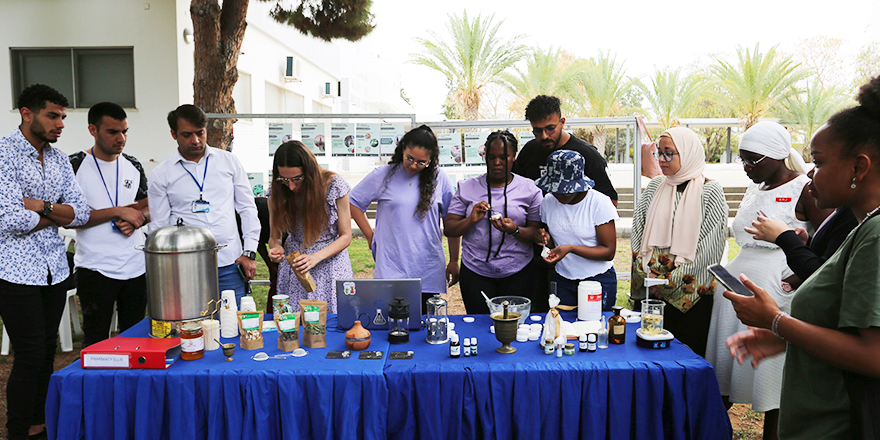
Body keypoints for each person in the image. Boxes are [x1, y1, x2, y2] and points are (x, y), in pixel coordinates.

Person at [725, 76, 880, 440]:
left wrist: (777, 322)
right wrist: (784, 340)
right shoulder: (861, 229)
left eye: (819, 162)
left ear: (859, 167)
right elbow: (843, 328)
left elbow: (873, 355)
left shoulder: (875, 236)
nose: (810, 173)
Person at [706, 121, 831, 440]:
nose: (746, 166)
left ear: (777, 155)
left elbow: (825, 240)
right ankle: (717, 431)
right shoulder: (754, 186)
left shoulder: (804, 187)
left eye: (753, 160)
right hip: (735, 290)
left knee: (772, 384)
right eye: (742, 158)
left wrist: (799, 274)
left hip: (775, 291)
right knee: (725, 367)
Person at [0, 84, 89, 440]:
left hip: (54, 269)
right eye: (53, 116)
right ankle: (18, 429)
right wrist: (57, 214)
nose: (60, 124)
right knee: (29, 353)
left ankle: (39, 423)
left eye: (63, 117)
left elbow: (80, 213)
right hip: (14, 270)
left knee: (48, 350)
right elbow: (9, 219)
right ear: (27, 113)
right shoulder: (4, 154)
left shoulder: (58, 159)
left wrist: (40, 205)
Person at [511, 95, 618, 313]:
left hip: (592, 271)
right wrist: (546, 237)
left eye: (550, 128)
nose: (544, 135)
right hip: (554, 266)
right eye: (537, 130)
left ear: (562, 121)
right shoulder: (532, 156)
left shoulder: (588, 156)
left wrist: (576, 230)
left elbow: (608, 205)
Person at [148, 105, 260, 308]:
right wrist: (164, 269)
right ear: (173, 134)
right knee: (192, 327)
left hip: (230, 262)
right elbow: (159, 226)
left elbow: (247, 209)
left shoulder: (228, 162)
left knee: (231, 326)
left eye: (200, 133)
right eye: (187, 135)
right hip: (185, 267)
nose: (196, 140)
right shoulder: (161, 174)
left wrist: (250, 252)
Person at [631, 126, 728, 358]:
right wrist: (646, 276)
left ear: (688, 153)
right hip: (649, 291)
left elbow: (710, 248)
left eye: (669, 153)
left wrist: (666, 283)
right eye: (659, 153)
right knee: (648, 358)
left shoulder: (710, 191)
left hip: (688, 298)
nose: (662, 159)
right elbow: (638, 233)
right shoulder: (655, 186)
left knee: (684, 359)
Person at [350, 125, 460, 312]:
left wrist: (454, 260)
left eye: (421, 162)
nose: (413, 165)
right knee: (391, 326)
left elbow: (452, 222)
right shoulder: (383, 175)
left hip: (428, 267)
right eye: (410, 158)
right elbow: (353, 203)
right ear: (402, 149)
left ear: (431, 160)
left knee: (425, 327)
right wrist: (370, 236)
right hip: (392, 265)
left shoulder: (440, 178)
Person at [68, 102, 150, 348]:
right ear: (93, 129)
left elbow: (150, 205)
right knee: (96, 342)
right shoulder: (73, 164)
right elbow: (69, 216)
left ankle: (130, 387)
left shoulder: (133, 165)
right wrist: (116, 211)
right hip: (95, 268)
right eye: (112, 132)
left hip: (136, 267)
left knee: (135, 342)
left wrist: (138, 219)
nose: (121, 138)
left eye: (124, 131)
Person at [444, 130, 543, 314]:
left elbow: (536, 234)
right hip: (476, 272)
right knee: (480, 326)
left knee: (515, 327)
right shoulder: (467, 187)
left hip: (518, 272)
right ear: (485, 157)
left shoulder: (529, 189)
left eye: (503, 157)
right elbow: (449, 229)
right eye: (491, 157)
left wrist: (514, 230)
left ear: (513, 157)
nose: (497, 163)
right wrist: (471, 220)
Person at [267, 141, 352, 313]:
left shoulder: (333, 185)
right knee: (293, 323)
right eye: (284, 179)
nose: (291, 186)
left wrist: (315, 257)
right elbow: (274, 236)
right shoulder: (276, 192)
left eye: (297, 178)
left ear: (310, 172)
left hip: (330, 264)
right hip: (296, 266)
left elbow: (346, 235)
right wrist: (275, 248)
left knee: (331, 321)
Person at [537, 150, 620, 310]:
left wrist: (571, 248)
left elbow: (608, 252)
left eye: (564, 190)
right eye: (554, 189)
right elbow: (556, 240)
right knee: (564, 330)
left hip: (598, 280)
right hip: (563, 279)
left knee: (594, 329)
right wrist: (547, 240)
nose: (558, 194)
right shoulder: (548, 201)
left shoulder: (599, 203)